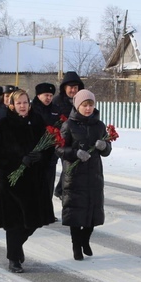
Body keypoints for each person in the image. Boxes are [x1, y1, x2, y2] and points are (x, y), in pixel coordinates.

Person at [0, 89, 55, 273]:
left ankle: (17, 248)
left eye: (25, 102)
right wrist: (18, 161)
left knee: (33, 222)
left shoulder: (38, 122)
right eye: (18, 103)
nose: (22, 106)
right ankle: (13, 259)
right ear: (11, 105)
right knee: (14, 223)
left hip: (34, 182)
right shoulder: (4, 124)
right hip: (12, 182)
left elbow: (49, 147)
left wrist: (40, 156)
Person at [56, 89, 111, 260]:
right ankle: (76, 246)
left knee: (93, 211)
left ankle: (85, 239)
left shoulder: (99, 125)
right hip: (74, 175)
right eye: (84, 105)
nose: (88, 109)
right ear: (77, 105)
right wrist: (74, 153)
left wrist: (104, 146)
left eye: (90, 105)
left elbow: (107, 150)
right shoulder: (68, 125)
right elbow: (59, 148)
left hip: (94, 175)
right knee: (75, 213)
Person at [52, 71, 85, 199]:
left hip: (77, 139)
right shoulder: (57, 101)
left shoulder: (81, 101)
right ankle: (62, 190)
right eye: (71, 87)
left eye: (76, 88)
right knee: (68, 164)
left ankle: (62, 189)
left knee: (72, 165)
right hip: (61, 140)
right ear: (64, 88)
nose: (73, 90)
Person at [31, 82, 60, 200]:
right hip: (34, 152)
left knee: (48, 184)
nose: (49, 98)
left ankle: (47, 212)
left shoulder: (56, 109)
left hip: (50, 153)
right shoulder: (30, 109)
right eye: (46, 95)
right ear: (38, 96)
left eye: (51, 95)